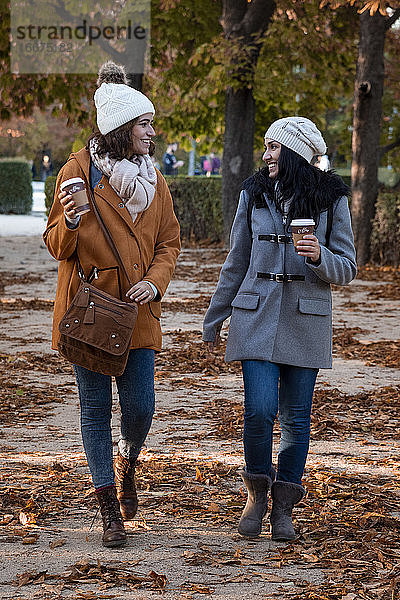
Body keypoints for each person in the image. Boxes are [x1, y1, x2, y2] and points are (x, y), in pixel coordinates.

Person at [44, 61, 180, 548]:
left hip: (139, 310)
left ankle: (128, 462)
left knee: (140, 408)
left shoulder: (154, 180)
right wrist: (73, 219)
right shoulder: (76, 173)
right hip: (90, 310)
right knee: (94, 409)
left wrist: (156, 282)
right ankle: (107, 508)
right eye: (144, 123)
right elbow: (56, 245)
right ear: (122, 128)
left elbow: (169, 242)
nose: (152, 131)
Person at [203, 116, 356, 541]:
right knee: (259, 409)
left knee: (296, 419)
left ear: (294, 154)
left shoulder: (331, 200)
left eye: (273, 148)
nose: (266, 156)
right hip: (254, 315)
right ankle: (256, 492)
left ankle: (283, 508)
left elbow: (348, 267)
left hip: (306, 320)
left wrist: (318, 255)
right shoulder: (252, 194)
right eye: (266, 147)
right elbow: (237, 259)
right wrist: (215, 315)